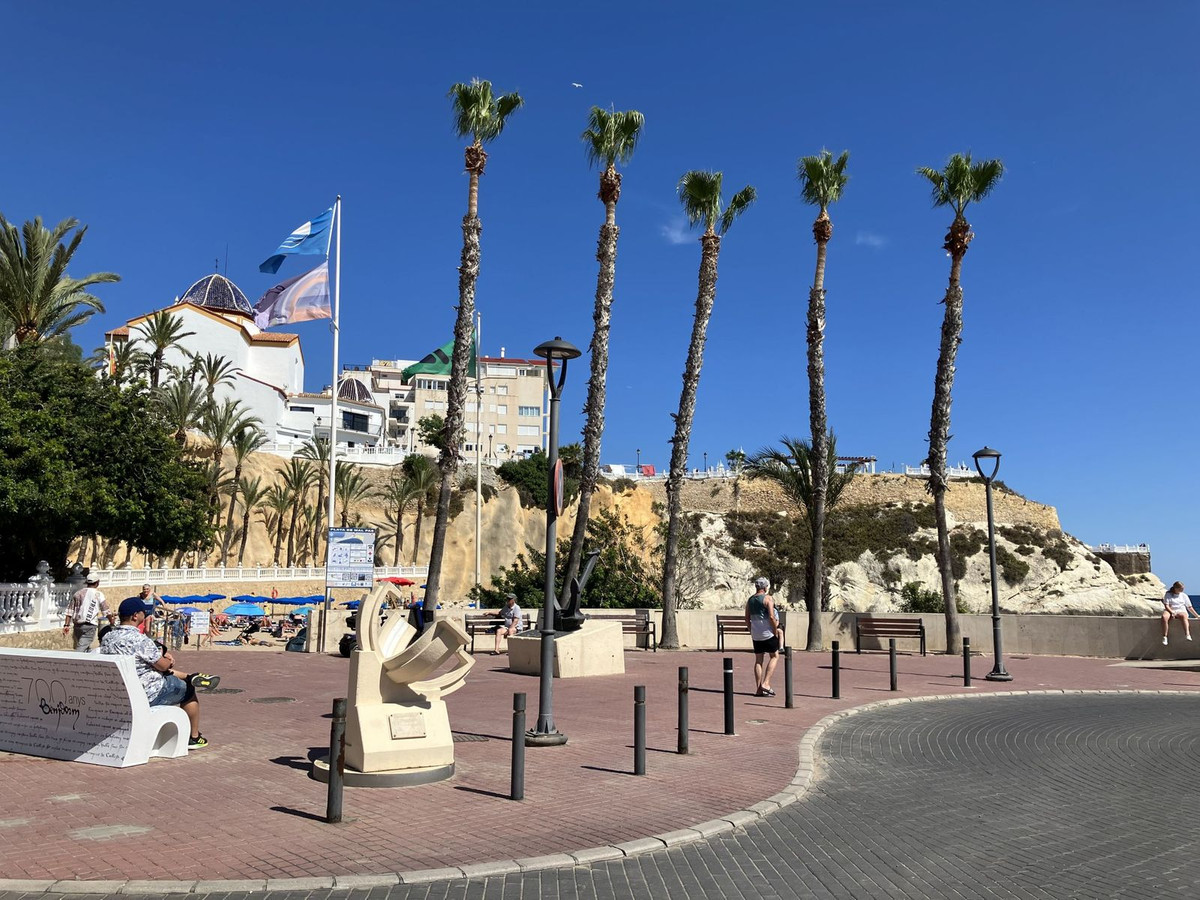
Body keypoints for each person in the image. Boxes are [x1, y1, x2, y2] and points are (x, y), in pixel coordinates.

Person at [100, 597, 220, 749]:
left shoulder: (107, 638)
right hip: (145, 693)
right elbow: (163, 666)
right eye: (143, 613)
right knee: (188, 690)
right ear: (135, 616)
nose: (145, 615)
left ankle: (190, 676)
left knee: (153, 670)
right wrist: (168, 660)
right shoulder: (140, 640)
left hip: (117, 693)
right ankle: (194, 737)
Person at [745, 576, 782, 697]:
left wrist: (751, 630)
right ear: (765, 587)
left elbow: (747, 618)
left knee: (758, 660)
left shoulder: (750, 600)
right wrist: (774, 630)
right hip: (767, 633)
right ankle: (766, 683)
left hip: (756, 634)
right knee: (774, 656)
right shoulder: (768, 598)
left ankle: (758, 689)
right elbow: (771, 616)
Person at [63, 573, 117, 652]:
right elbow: (105, 610)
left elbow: (69, 611)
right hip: (89, 626)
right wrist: (111, 621)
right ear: (97, 582)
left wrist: (66, 625)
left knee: (85, 648)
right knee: (81, 649)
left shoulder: (77, 593)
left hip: (77, 626)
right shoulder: (98, 594)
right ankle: (73, 659)